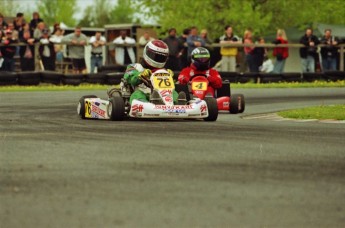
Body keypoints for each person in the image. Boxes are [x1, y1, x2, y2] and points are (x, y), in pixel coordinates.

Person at [120, 40, 185, 105]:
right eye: (156, 56)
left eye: (161, 57)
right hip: (143, 91)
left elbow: (169, 86)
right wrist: (140, 75)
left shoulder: (163, 71)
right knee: (137, 95)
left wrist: (170, 77)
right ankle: (146, 104)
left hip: (162, 93)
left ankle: (179, 104)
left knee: (173, 93)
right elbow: (129, 78)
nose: (158, 59)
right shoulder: (136, 67)